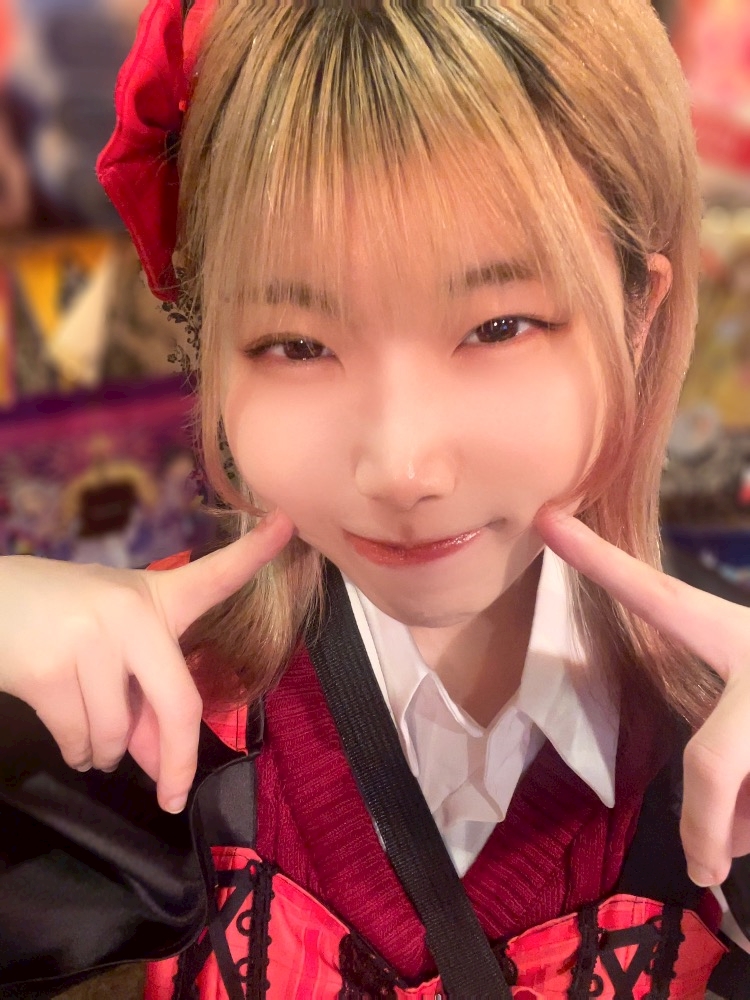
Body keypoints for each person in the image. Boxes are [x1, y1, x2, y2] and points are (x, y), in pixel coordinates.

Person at [2, 1, 750, 997]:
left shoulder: (722, 716)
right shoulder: (147, 705)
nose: (401, 468)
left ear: (637, 316)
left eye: (499, 327)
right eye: (298, 344)